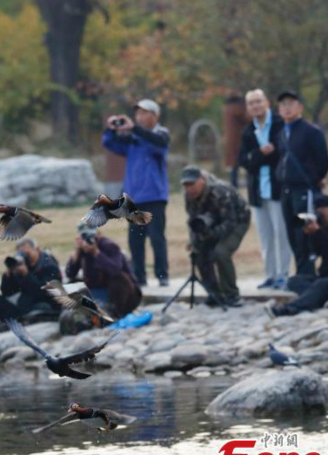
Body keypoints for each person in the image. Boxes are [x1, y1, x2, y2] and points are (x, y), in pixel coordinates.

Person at [102, 99, 170, 287]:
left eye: (144, 113)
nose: (139, 117)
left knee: (157, 238)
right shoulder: (133, 139)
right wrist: (111, 129)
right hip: (134, 197)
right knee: (136, 240)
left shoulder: (160, 134)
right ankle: (139, 278)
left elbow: (158, 143)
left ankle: (162, 276)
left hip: (155, 195)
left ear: (155, 115)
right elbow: (110, 144)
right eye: (137, 114)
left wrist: (134, 129)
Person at [237, 89, 291, 290]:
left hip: (278, 188)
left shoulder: (279, 123)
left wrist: (261, 156)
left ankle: (283, 274)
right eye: (251, 103)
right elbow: (244, 160)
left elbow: (282, 151)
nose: (256, 106)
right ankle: (270, 274)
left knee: (281, 232)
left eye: (258, 101)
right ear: (248, 107)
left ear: (267, 103)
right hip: (258, 190)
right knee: (265, 236)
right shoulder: (247, 132)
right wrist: (260, 153)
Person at [275, 90, 328, 280]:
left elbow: (324, 160)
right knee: (291, 233)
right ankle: (300, 272)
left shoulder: (311, 131)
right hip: (286, 190)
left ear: (300, 107)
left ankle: (307, 273)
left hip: (303, 190)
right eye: (283, 105)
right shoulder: (282, 133)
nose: (287, 108)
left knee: (304, 232)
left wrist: (313, 179)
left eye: (291, 103)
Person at [182, 166, 251, 307]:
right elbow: (193, 220)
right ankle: (214, 293)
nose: (189, 189)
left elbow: (230, 222)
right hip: (213, 225)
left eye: (192, 184)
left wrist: (210, 235)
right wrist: (195, 240)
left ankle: (232, 294)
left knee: (221, 252)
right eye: (186, 185)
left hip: (238, 221)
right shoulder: (189, 196)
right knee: (199, 253)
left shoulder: (220, 191)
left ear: (202, 179)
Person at [65, 222, 142, 320]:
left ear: (99, 234)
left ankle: (117, 312)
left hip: (126, 294)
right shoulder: (82, 249)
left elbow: (115, 271)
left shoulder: (110, 246)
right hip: (97, 290)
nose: (88, 239)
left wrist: (96, 253)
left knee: (119, 279)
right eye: (84, 236)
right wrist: (76, 255)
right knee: (71, 284)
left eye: (90, 236)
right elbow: (70, 274)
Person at [0, 238, 62, 318]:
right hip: (29, 303)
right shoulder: (24, 265)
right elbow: (7, 292)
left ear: (37, 249)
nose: (25, 255)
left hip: (50, 304)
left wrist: (27, 275)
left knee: (41, 307)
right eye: (21, 253)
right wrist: (8, 276)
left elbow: (44, 292)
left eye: (27, 252)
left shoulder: (50, 265)